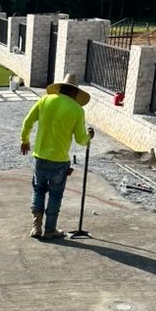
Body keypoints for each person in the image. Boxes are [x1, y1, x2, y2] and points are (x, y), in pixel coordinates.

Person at [20, 72, 95, 239]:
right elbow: (81, 140)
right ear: (75, 92)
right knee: (55, 195)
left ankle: (36, 227)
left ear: (60, 88)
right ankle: (50, 230)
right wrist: (89, 136)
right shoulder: (77, 110)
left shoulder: (45, 100)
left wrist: (24, 140)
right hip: (59, 162)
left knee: (39, 190)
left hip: (40, 157)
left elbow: (27, 122)